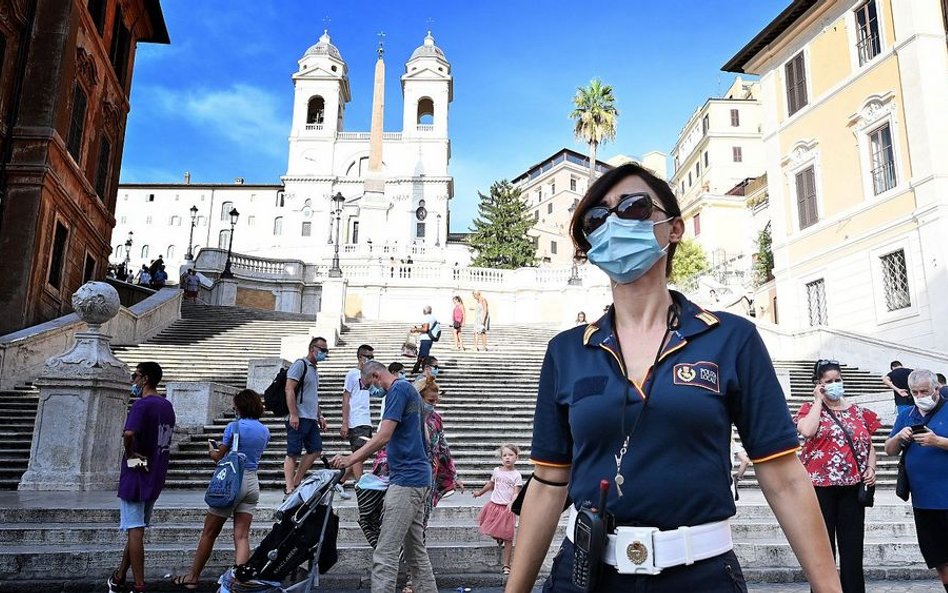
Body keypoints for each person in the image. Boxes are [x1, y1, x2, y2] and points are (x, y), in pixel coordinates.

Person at [509, 162, 842, 593]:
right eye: (598, 217)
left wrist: (828, 587)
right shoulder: (567, 351)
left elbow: (784, 476)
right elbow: (549, 483)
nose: (614, 222)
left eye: (633, 206)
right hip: (585, 576)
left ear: (675, 228)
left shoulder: (732, 339)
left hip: (701, 575)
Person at [331, 361, 438, 593]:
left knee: (385, 551)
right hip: (418, 476)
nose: (372, 391)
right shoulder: (408, 389)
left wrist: (351, 459)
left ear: (377, 376)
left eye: (370, 385)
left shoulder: (396, 391)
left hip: (406, 481)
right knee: (415, 552)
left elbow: (384, 436)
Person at [171, 389, 270, 590]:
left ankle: (193, 576)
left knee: (209, 532)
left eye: (235, 404)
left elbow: (219, 457)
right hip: (252, 482)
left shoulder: (233, 427)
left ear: (240, 406)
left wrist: (211, 449)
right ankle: (241, 580)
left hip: (232, 481)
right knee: (241, 535)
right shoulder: (264, 430)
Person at [796, 360, 880, 593]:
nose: (835, 385)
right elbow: (806, 431)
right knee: (823, 550)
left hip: (852, 488)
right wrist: (817, 401)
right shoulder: (809, 409)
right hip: (819, 488)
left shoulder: (858, 412)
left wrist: (871, 469)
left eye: (838, 380)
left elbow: (869, 445)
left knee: (852, 549)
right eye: (829, 382)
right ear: (819, 385)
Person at [108, 362, 176, 593]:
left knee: (134, 529)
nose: (133, 381)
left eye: (136, 376)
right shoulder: (166, 405)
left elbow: (129, 433)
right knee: (136, 527)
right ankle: (119, 577)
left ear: (145, 379)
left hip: (137, 469)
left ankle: (139, 585)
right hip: (155, 471)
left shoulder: (142, 405)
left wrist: (130, 454)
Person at [884, 369, 948, 591]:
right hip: (923, 500)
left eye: (925, 391)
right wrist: (899, 437)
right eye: (915, 392)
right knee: (937, 557)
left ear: (936, 389)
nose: (920, 396)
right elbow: (888, 449)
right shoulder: (906, 415)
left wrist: (938, 441)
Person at [283, 337, 333, 497]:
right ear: (313, 349)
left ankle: (297, 481)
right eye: (323, 350)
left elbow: (313, 396)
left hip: (310, 417)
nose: (325, 353)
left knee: (316, 449)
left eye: (326, 350)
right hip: (299, 416)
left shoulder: (314, 369)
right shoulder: (300, 365)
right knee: (293, 452)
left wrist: (320, 416)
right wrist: (293, 414)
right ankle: (289, 487)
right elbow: (289, 389)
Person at [473, 444, 522, 576]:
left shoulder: (517, 475)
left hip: (507, 508)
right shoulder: (497, 471)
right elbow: (491, 484)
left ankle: (506, 565)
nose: (507, 458)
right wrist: (480, 493)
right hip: (494, 506)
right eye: (505, 455)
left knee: (508, 538)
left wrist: (512, 503)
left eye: (511, 455)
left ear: (516, 457)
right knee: (493, 530)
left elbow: (516, 492)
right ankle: (498, 537)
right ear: (501, 458)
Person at [342, 344, 376, 487]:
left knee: (361, 454)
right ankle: (360, 486)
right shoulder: (352, 374)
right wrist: (345, 422)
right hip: (355, 419)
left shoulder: (369, 376)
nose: (370, 360)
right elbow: (346, 398)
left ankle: (339, 482)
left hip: (366, 419)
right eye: (367, 357)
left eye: (372, 357)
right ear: (360, 357)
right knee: (358, 455)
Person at [409, 306, 438, 375]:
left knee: (423, 356)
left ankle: (426, 370)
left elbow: (425, 329)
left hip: (426, 339)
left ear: (424, 311)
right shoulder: (433, 318)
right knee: (422, 355)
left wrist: (415, 329)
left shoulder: (426, 318)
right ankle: (416, 368)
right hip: (429, 339)